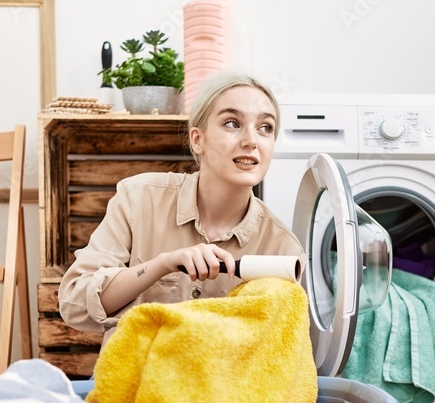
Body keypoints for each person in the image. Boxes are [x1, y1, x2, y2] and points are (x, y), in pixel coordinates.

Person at [58, 72, 304, 346]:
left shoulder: (283, 249)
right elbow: (75, 303)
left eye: (265, 128)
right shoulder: (138, 199)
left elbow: (284, 351)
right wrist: (162, 265)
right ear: (198, 139)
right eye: (232, 123)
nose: (251, 140)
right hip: (135, 381)